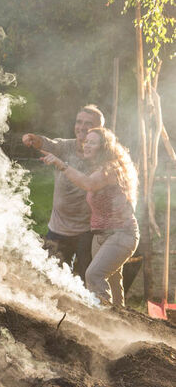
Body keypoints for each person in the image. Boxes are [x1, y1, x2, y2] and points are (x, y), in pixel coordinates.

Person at [41, 128, 139, 306]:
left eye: (92, 142)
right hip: (100, 235)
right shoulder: (99, 168)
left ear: (105, 147)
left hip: (120, 234)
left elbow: (88, 184)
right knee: (114, 284)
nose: (86, 145)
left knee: (94, 275)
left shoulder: (111, 169)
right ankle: (122, 326)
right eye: (86, 141)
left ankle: (104, 323)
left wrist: (61, 164)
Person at [22, 105, 104, 276]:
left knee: (84, 282)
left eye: (88, 123)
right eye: (78, 122)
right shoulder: (65, 146)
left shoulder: (103, 156)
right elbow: (48, 143)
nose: (81, 127)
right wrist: (32, 138)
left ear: (99, 129)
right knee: (51, 279)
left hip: (87, 232)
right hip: (58, 230)